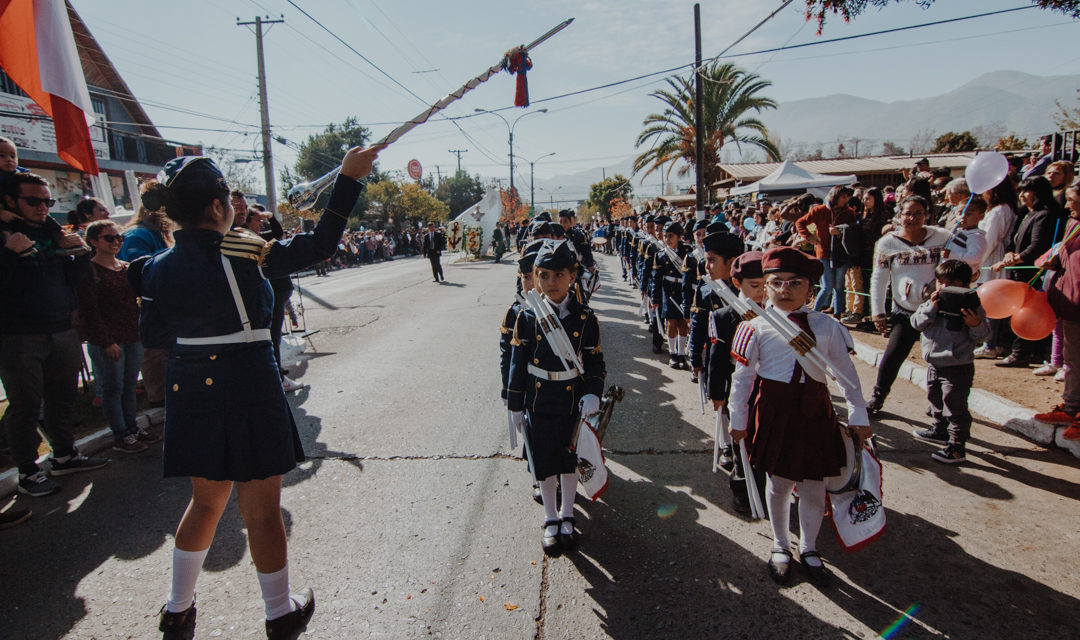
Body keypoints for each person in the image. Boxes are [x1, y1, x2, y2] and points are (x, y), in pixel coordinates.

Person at [134, 146, 381, 640]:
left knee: (205, 504)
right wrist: (349, 179)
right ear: (216, 207)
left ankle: (177, 609)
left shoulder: (151, 267)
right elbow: (322, 244)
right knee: (261, 508)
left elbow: (153, 336)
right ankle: (278, 613)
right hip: (246, 382)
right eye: (229, 197)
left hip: (190, 385)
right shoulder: (243, 253)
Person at [729, 247, 870, 586]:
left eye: (795, 283)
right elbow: (743, 377)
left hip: (814, 409)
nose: (785, 290)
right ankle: (780, 546)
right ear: (765, 286)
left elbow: (847, 375)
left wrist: (858, 412)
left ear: (811, 288)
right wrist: (738, 418)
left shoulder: (827, 327)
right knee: (778, 483)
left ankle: (809, 547)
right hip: (775, 409)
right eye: (776, 283)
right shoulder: (756, 327)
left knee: (814, 484)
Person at [1, 172, 109, 497]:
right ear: (10, 200)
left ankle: (64, 455)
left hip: (61, 328)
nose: (43, 208)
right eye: (33, 201)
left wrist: (78, 254)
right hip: (19, 335)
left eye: (47, 201)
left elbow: (71, 281)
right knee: (26, 405)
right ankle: (28, 471)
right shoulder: (4, 234)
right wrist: (9, 254)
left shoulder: (52, 232)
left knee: (62, 398)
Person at [507, 239, 606, 556]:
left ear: (572, 276)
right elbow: (517, 364)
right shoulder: (526, 316)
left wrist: (593, 391)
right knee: (545, 463)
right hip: (539, 400)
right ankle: (550, 517)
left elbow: (594, 360)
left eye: (559, 275)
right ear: (535, 277)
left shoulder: (585, 317)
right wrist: (514, 405)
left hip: (572, 400)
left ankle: (567, 514)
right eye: (544, 275)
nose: (551, 283)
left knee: (568, 462)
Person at [76, 220, 158, 453]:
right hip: (108, 340)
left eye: (118, 237)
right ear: (93, 242)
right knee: (113, 388)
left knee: (129, 385)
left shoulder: (125, 267)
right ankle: (121, 434)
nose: (116, 242)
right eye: (109, 238)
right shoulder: (90, 272)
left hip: (133, 335)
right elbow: (90, 312)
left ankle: (132, 428)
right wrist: (106, 342)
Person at [866, 195, 952, 415]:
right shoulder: (887, 243)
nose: (913, 218)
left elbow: (962, 263)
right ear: (899, 215)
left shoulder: (942, 237)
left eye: (919, 214)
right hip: (904, 310)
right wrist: (878, 312)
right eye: (908, 214)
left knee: (939, 359)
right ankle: (878, 396)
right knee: (893, 354)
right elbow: (879, 278)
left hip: (937, 310)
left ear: (927, 215)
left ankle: (939, 405)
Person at [909, 260, 990, 463]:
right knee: (935, 399)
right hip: (934, 364)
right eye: (940, 282)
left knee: (955, 407)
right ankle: (939, 429)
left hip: (958, 367)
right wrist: (931, 309)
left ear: (965, 284)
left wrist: (975, 324)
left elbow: (984, 336)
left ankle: (957, 446)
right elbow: (916, 323)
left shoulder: (972, 306)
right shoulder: (932, 303)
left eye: (951, 283)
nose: (944, 287)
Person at [991, 176, 1066, 368]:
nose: (1022, 195)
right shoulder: (1026, 213)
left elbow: (1037, 247)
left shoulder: (1046, 215)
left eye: (1027, 191)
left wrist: (1013, 259)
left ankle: (1021, 353)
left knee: (1028, 313)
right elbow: (1012, 241)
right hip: (1019, 269)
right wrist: (1009, 254)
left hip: (1033, 273)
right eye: (1021, 191)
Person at [1035, 181, 1080, 437]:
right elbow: (1065, 256)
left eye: (1071, 199)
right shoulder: (1072, 224)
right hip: (1069, 301)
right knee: (1073, 359)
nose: (1066, 205)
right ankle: (1071, 408)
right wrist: (1053, 262)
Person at [795, 185, 856, 318]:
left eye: (847, 197)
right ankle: (814, 313)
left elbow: (854, 229)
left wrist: (840, 232)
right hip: (823, 252)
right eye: (843, 196)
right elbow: (800, 222)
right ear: (835, 196)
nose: (846, 199)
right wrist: (809, 237)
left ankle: (837, 314)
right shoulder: (820, 210)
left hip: (841, 254)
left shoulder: (849, 213)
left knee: (839, 286)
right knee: (827, 286)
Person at [651, 220, 692, 369]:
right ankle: (673, 353)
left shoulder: (688, 252)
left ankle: (681, 353)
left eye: (671, 236)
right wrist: (655, 298)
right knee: (671, 322)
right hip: (668, 291)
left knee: (683, 322)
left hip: (684, 290)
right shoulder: (661, 255)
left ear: (679, 237)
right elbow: (656, 278)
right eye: (665, 236)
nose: (667, 239)